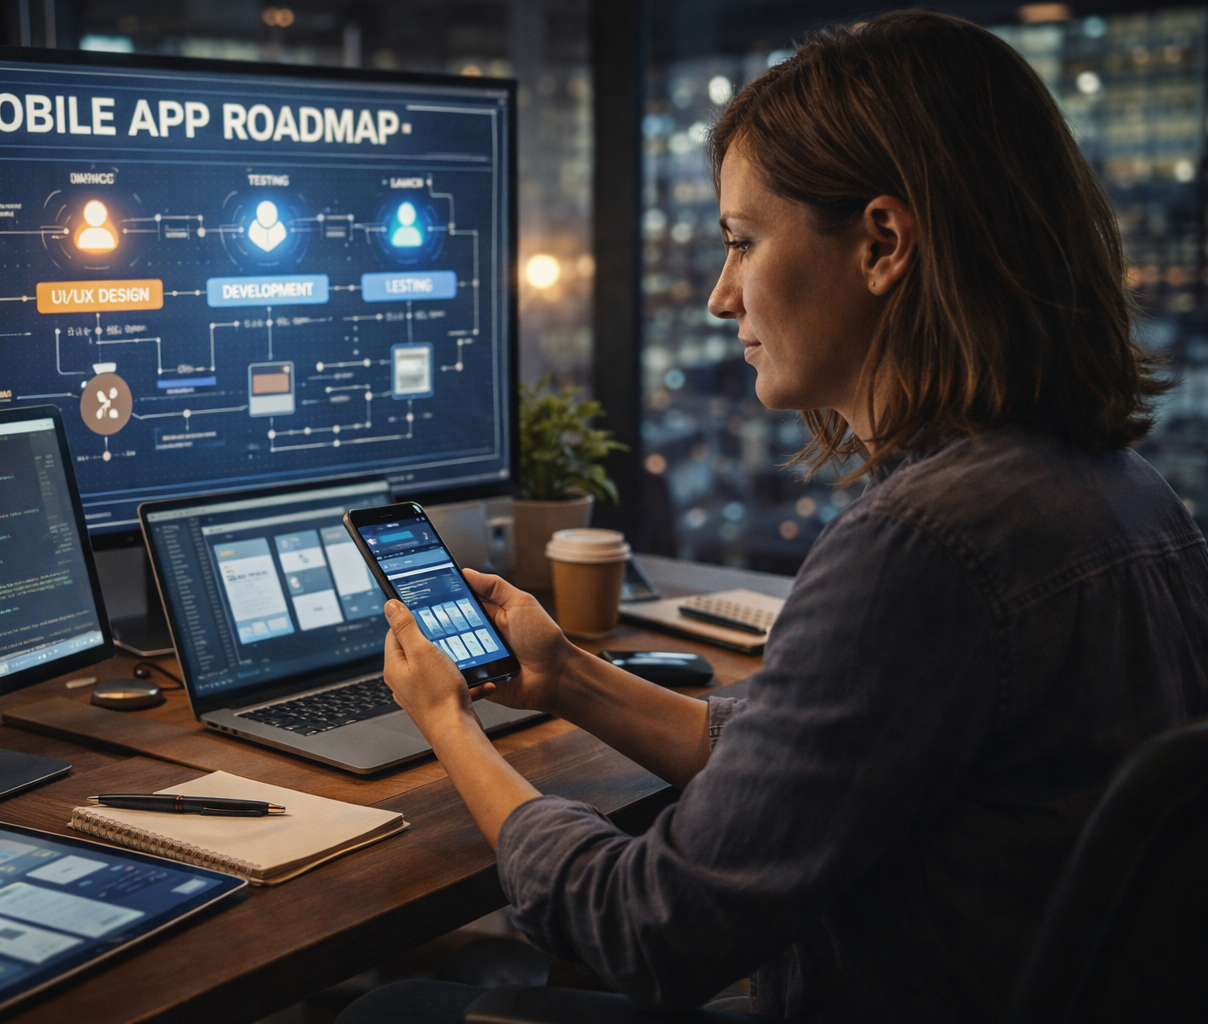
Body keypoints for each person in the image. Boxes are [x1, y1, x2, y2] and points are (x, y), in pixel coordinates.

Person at [338, 10, 1208, 1023]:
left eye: (743, 243)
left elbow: (644, 927)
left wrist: (448, 722)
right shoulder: (1133, 495)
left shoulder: (919, 548)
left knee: (389, 1011)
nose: (718, 296)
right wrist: (570, 677)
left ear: (884, 241)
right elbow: (819, 764)